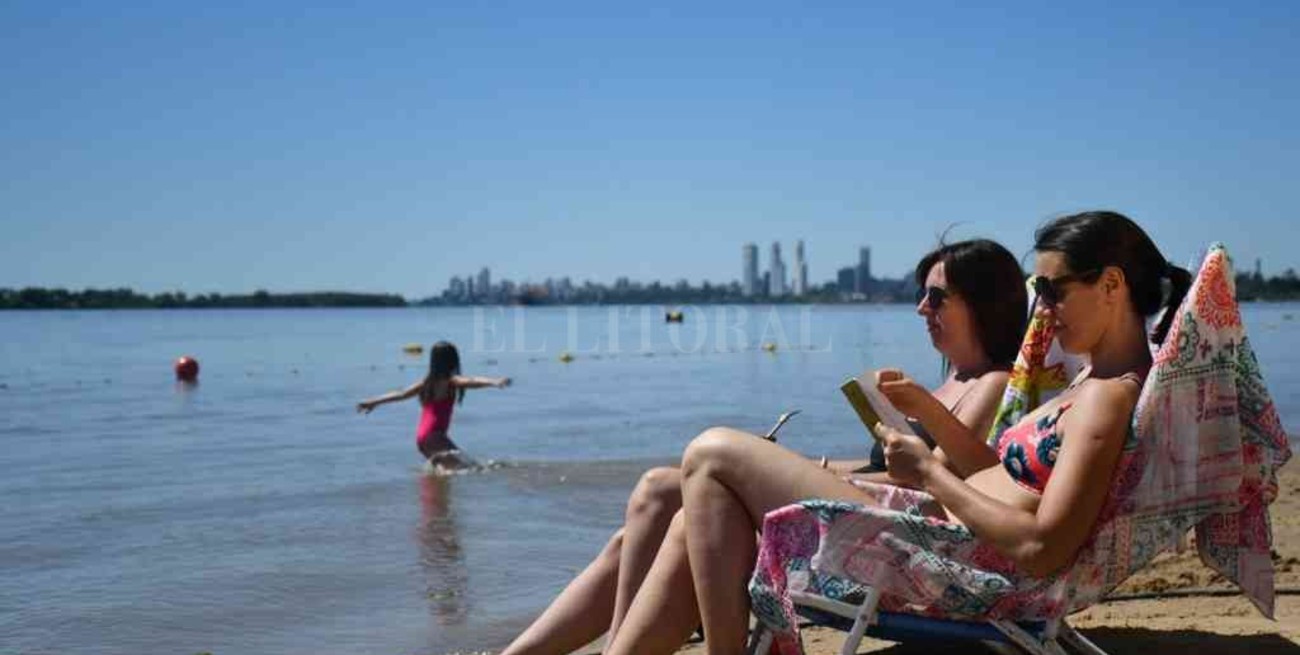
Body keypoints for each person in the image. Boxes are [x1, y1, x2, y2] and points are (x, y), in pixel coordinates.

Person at [599, 210, 1191, 655]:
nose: (1042, 308)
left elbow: (1043, 548)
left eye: (1053, 290)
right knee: (692, 520)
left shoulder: (1106, 399)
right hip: (937, 536)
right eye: (1039, 292)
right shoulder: (1091, 381)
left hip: (951, 560)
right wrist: (928, 419)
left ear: (1111, 285)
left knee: (711, 452)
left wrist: (929, 472)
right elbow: (1001, 479)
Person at [500, 239, 1029, 655]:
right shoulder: (951, 383)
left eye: (937, 298)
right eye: (923, 295)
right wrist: (811, 464)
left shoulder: (992, 382)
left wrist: (809, 473)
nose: (921, 309)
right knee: (657, 492)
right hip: (877, 516)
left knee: (695, 491)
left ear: (981, 303)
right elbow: (890, 465)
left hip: (906, 538)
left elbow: (933, 482)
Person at [357, 341, 511, 469]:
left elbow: (401, 394)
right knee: (471, 468)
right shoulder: (450, 381)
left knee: (443, 476)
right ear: (452, 360)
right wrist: (494, 381)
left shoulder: (426, 383)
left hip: (422, 439)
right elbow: (471, 381)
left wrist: (373, 402)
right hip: (434, 436)